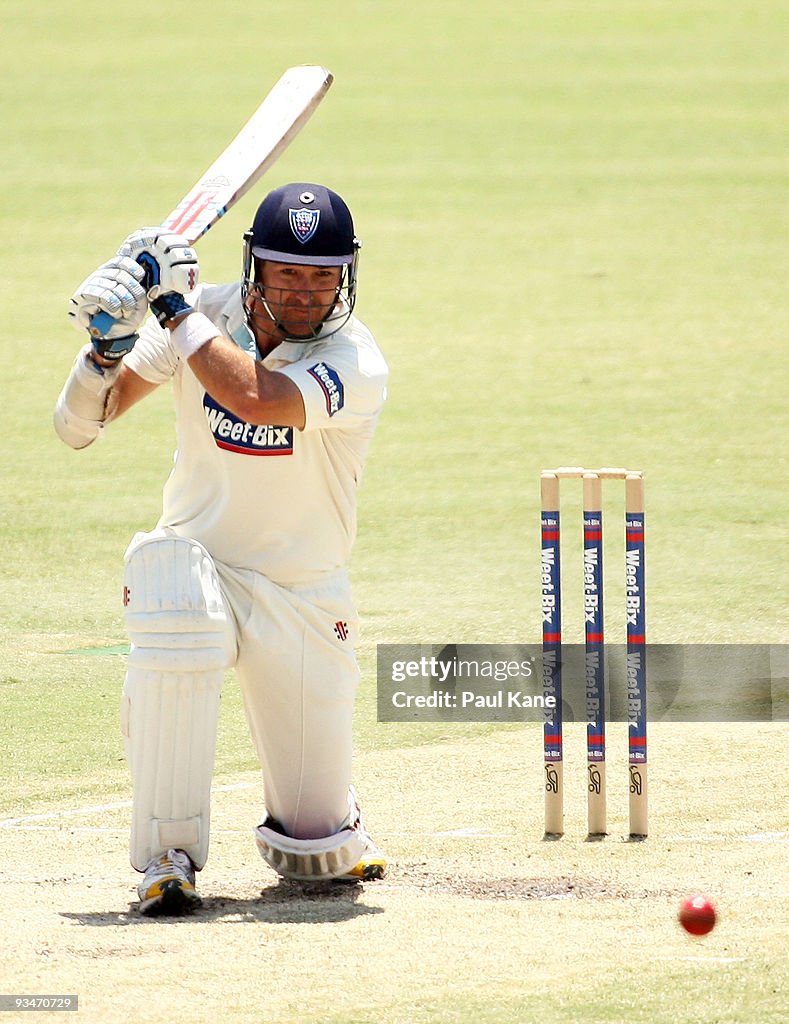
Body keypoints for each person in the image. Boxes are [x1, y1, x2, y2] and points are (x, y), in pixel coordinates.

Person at [54, 183, 389, 914]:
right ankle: (165, 859)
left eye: (322, 274)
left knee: (316, 854)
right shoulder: (205, 314)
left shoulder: (355, 361)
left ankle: (336, 820)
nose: (305, 291)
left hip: (301, 587)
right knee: (175, 605)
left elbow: (257, 399)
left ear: (346, 274)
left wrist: (171, 310)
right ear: (254, 268)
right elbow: (81, 425)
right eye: (287, 272)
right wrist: (104, 350)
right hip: (197, 563)